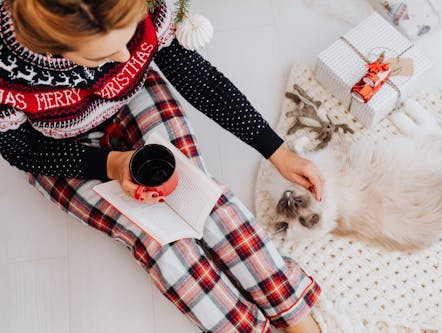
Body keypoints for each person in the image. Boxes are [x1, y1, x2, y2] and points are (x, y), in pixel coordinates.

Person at [0, 0, 325, 332]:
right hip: (57, 150)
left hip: (133, 96)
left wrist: (276, 151)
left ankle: (296, 314)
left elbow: (199, 79)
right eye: (100, 56)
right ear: (48, 46)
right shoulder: (6, 70)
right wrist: (111, 165)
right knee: (161, 243)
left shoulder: (144, 8)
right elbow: (19, 149)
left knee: (204, 200)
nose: (124, 59)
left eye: (128, 41)